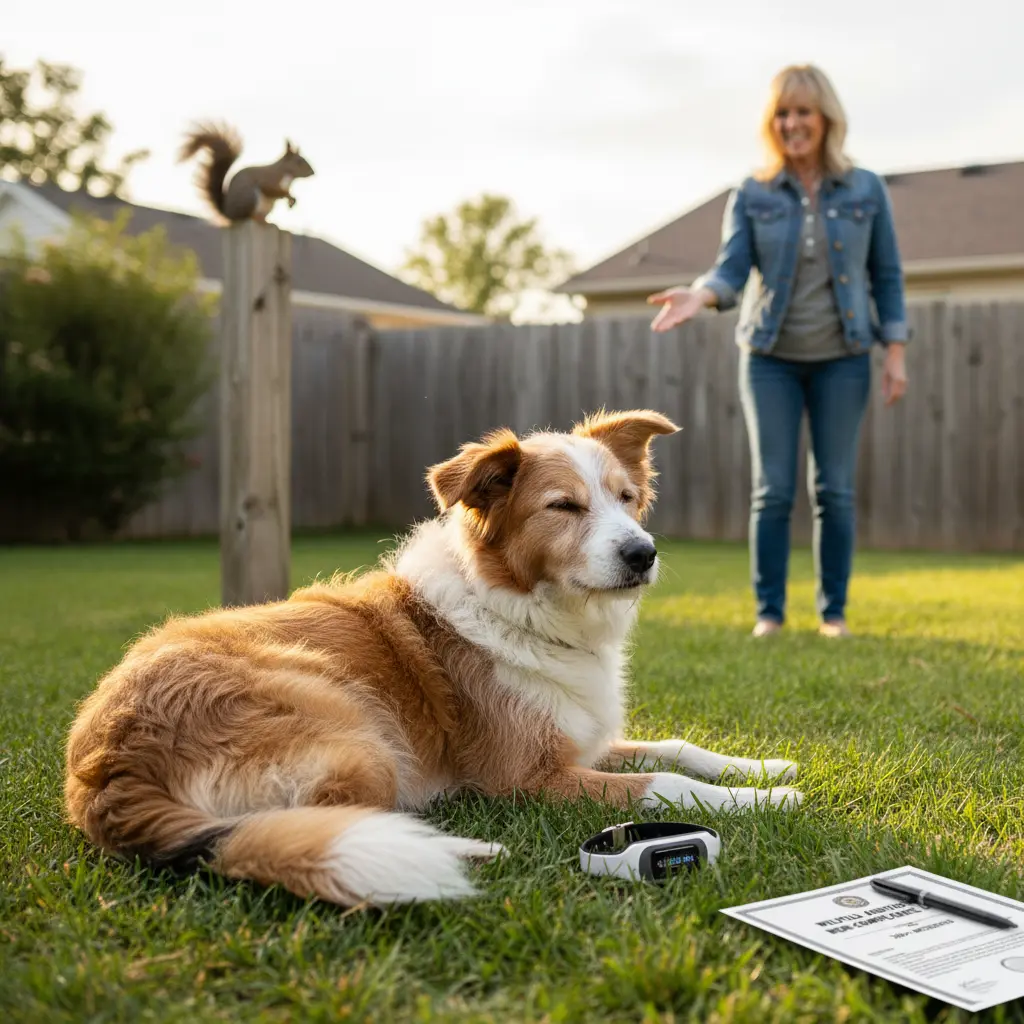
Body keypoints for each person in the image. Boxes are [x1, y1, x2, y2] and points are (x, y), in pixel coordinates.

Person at [647, 64, 908, 639]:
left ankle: (832, 614)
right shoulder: (755, 191)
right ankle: (770, 613)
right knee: (774, 489)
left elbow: (886, 273)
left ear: (825, 118)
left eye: (803, 112)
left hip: (844, 358)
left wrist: (895, 351)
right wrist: (702, 293)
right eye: (782, 113)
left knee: (834, 489)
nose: (792, 123)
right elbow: (732, 267)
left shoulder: (866, 188)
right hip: (771, 361)